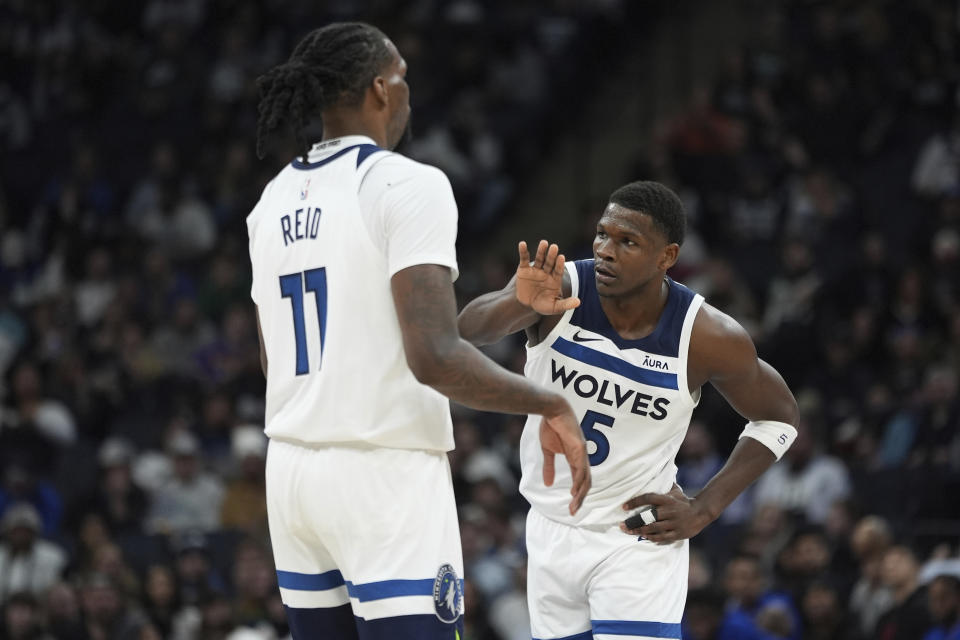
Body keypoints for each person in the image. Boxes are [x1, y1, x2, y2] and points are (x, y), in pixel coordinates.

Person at [247, 21, 589, 640]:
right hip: (383, 475)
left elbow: (277, 361)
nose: (408, 93)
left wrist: (511, 303)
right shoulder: (407, 183)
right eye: (403, 79)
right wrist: (548, 402)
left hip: (293, 474)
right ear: (380, 88)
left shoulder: (270, 201)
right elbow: (434, 356)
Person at [457, 180, 799, 638]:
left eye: (627, 241)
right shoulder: (560, 288)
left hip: (635, 535)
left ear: (667, 256)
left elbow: (780, 417)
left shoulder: (707, 335)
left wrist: (706, 507)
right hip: (549, 529)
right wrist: (515, 301)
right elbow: (465, 332)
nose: (605, 250)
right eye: (602, 234)